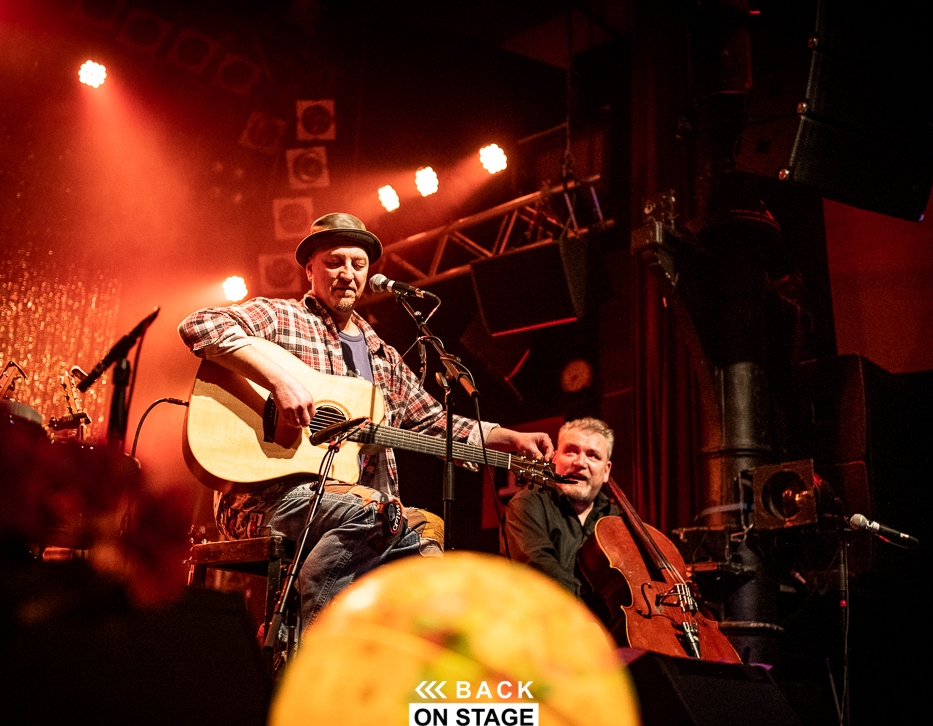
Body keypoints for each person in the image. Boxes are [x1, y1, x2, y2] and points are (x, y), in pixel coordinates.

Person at [178, 213, 553, 627]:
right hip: (263, 502)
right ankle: (311, 640)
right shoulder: (283, 318)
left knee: (427, 531)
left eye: (358, 264)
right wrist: (280, 381)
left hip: (355, 508)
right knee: (378, 513)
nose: (348, 273)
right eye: (335, 262)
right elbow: (199, 325)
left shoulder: (382, 357)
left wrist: (507, 437)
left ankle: (391, 648)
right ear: (310, 270)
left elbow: (435, 422)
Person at [501, 417, 617, 604]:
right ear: (554, 459)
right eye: (571, 451)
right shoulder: (526, 505)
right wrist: (593, 612)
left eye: (593, 456)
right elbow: (539, 569)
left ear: (606, 471)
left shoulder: (616, 519)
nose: (580, 462)